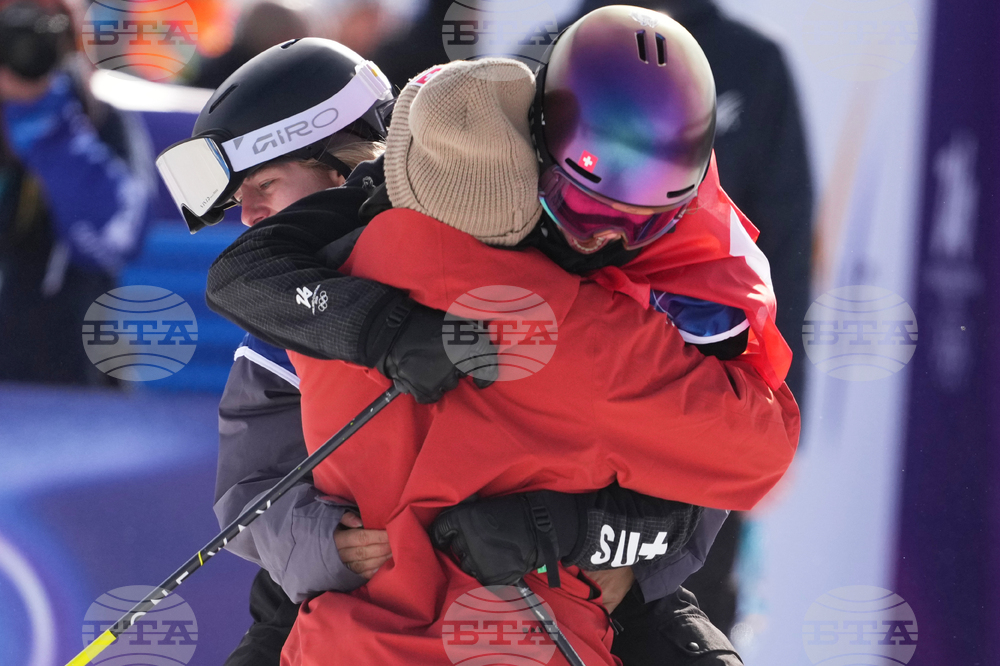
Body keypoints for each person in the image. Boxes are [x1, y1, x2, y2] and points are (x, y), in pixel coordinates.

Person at [157, 36, 744, 665]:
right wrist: (323, 539)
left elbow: (703, 442)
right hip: (356, 589)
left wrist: (606, 544)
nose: (248, 215)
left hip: (574, 585)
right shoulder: (289, 309)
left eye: (265, 186)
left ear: (344, 167)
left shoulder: (554, 245)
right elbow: (253, 484)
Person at [570, 0, 815, 634]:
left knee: (681, 605)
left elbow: (783, 245)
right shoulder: (557, 49)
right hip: (561, 403)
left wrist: (779, 404)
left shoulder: (752, 61)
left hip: (694, 399)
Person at [0, 0, 154, 384]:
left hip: (67, 387)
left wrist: (52, 133)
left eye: (41, 34)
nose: (22, 50)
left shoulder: (99, 123)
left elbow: (117, 239)